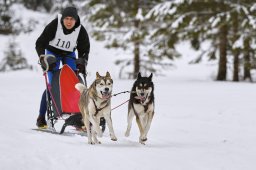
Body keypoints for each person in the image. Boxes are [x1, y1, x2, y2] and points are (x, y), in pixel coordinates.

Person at [35, 6, 90, 128]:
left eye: (72, 19)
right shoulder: (54, 25)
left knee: (74, 84)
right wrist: (43, 58)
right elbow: (40, 43)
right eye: (66, 18)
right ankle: (41, 117)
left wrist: (82, 61)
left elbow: (84, 49)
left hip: (69, 54)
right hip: (52, 54)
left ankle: (76, 117)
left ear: (76, 20)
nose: (69, 22)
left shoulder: (80, 30)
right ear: (62, 19)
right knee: (52, 84)